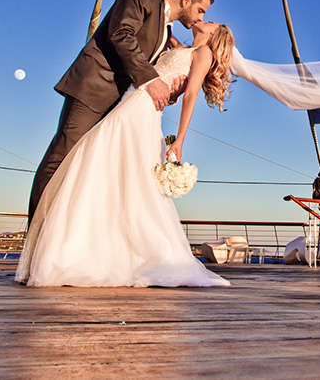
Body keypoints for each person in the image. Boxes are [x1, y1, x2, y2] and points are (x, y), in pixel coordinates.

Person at [16, 23, 235, 287]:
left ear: (214, 35)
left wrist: (180, 139)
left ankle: (117, 251)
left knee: (102, 155)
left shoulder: (203, 54)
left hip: (142, 110)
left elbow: (190, 95)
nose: (205, 19)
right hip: (131, 101)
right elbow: (164, 31)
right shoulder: (183, 47)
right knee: (110, 167)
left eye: (211, 22)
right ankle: (98, 249)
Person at [27, 0, 213, 224]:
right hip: (93, 88)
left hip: (119, 105)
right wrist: (151, 80)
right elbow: (121, 34)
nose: (200, 18)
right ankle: (36, 233)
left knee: (88, 168)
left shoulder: (166, 31)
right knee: (61, 157)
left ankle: (66, 230)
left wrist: (171, 91)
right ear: (186, 0)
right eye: (201, 10)